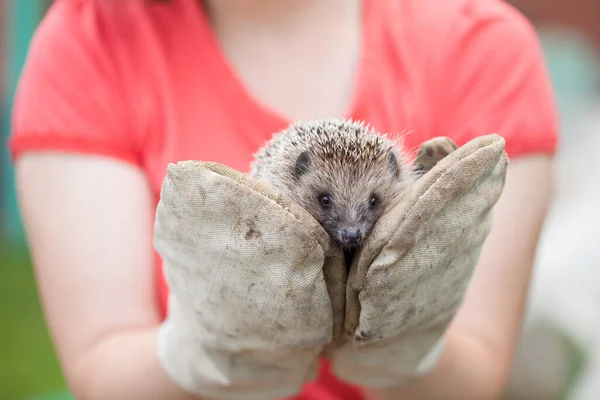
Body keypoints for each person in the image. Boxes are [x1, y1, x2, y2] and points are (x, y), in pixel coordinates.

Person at [8, 0, 557, 399]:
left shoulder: (485, 47)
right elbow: (101, 366)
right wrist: (203, 354)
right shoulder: (89, 42)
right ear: (293, 179)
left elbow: (479, 377)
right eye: (324, 202)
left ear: (397, 175)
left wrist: (406, 350)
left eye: (370, 206)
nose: (349, 228)